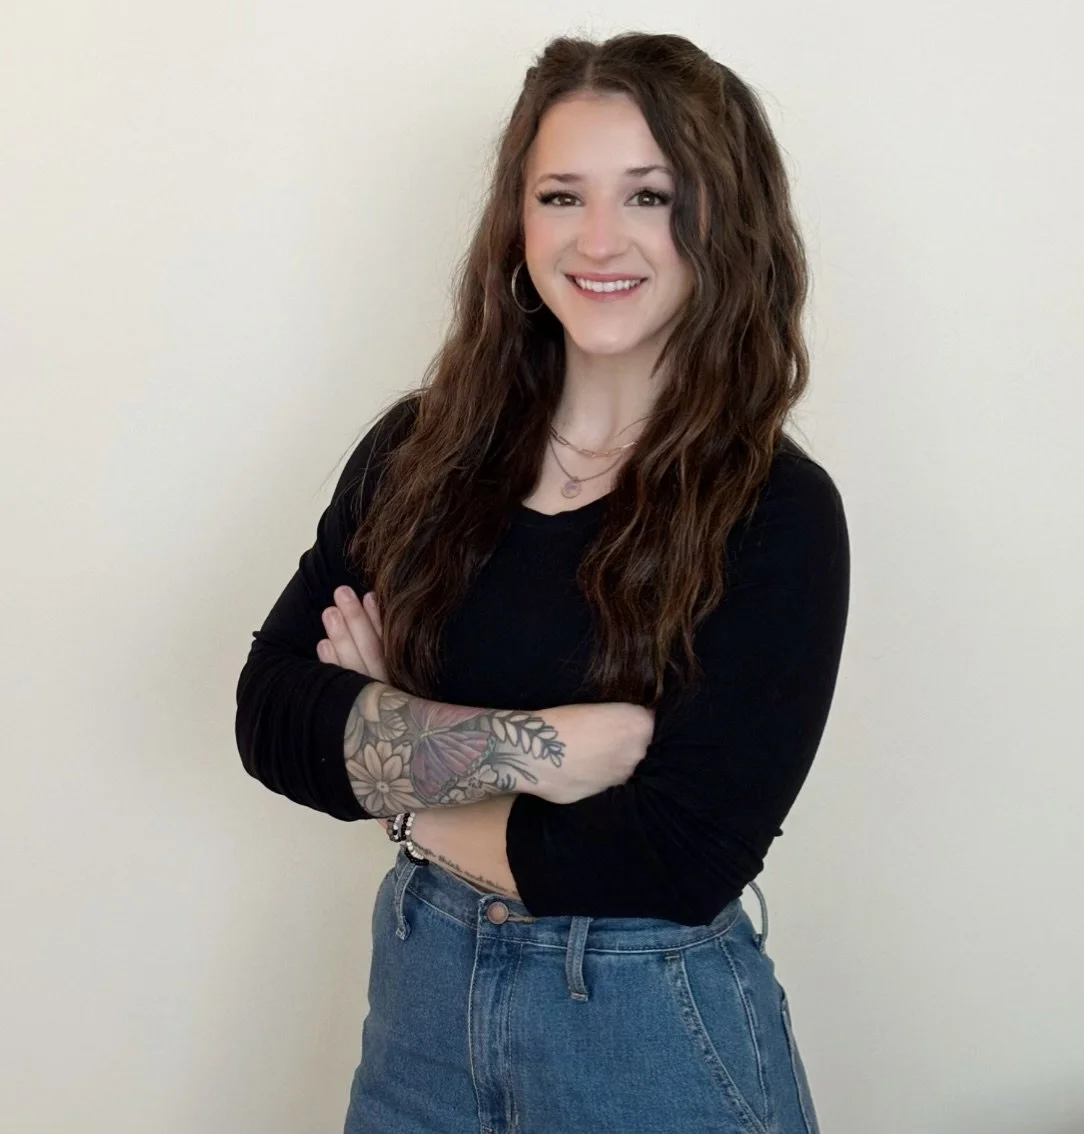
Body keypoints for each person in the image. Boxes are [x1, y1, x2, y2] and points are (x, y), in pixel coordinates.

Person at [235, 29, 849, 1134]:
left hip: (649, 1032)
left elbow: (673, 854)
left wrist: (399, 773)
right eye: (561, 196)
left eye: (652, 196)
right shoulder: (420, 453)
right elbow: (273, 715)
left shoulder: (778, 512)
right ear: (517, 224)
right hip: (420, 1009)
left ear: (725, 221)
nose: (600, 238)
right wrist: (552, 749)